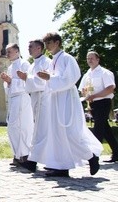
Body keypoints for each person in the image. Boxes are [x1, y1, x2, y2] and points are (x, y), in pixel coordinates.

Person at [26, 32, 102, 177]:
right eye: (46, 43)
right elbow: (49, 81)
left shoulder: (67, 58)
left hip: (67, 98)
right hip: (54, 99)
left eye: (49, 43)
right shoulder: (53, 60)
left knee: (69, 131)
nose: (47, 46)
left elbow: (72, 77)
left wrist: (50, 78)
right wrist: (46, 78)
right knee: (57, 132)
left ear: (57, 42)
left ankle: (91, 157)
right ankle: (61, 166)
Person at [16, 40, 52, 172]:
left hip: (45, 98)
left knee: (42, 130)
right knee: (38, 130)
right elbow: (30, 84)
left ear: (39, 48)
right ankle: (37, 160)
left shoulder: (46, 62)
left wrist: (26, 78)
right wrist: (26, 79)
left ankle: (33, 161)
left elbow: (44, 82)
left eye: (31, 47)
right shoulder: (32, 65)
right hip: (36, 99)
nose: (29, 49)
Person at [79, 51, 117, 163]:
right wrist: (86, 96)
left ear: (97, 59)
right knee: (105, 129)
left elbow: (110, 88)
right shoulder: (87, 74)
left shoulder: (105, 73)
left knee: (98, 128)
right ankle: (116, 151)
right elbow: (82, 90)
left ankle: (93, 155)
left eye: (92, 58)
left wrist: (94, 95)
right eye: (88, 58)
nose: (89, 60)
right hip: (93, 103)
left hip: (103, 102)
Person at [1, 43, 34, 166]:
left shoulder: (25, 64)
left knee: (22, 126)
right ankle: (17, 154)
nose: (7, 54)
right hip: (13, 99)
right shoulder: (10, 67)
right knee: (12, 127)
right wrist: (8, 82)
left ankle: (24, 155)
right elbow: (8, 86)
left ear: (17, 51)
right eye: (7, 52)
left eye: (9, 51)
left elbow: (28, 82)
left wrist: (11, 81)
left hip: (22, 98)